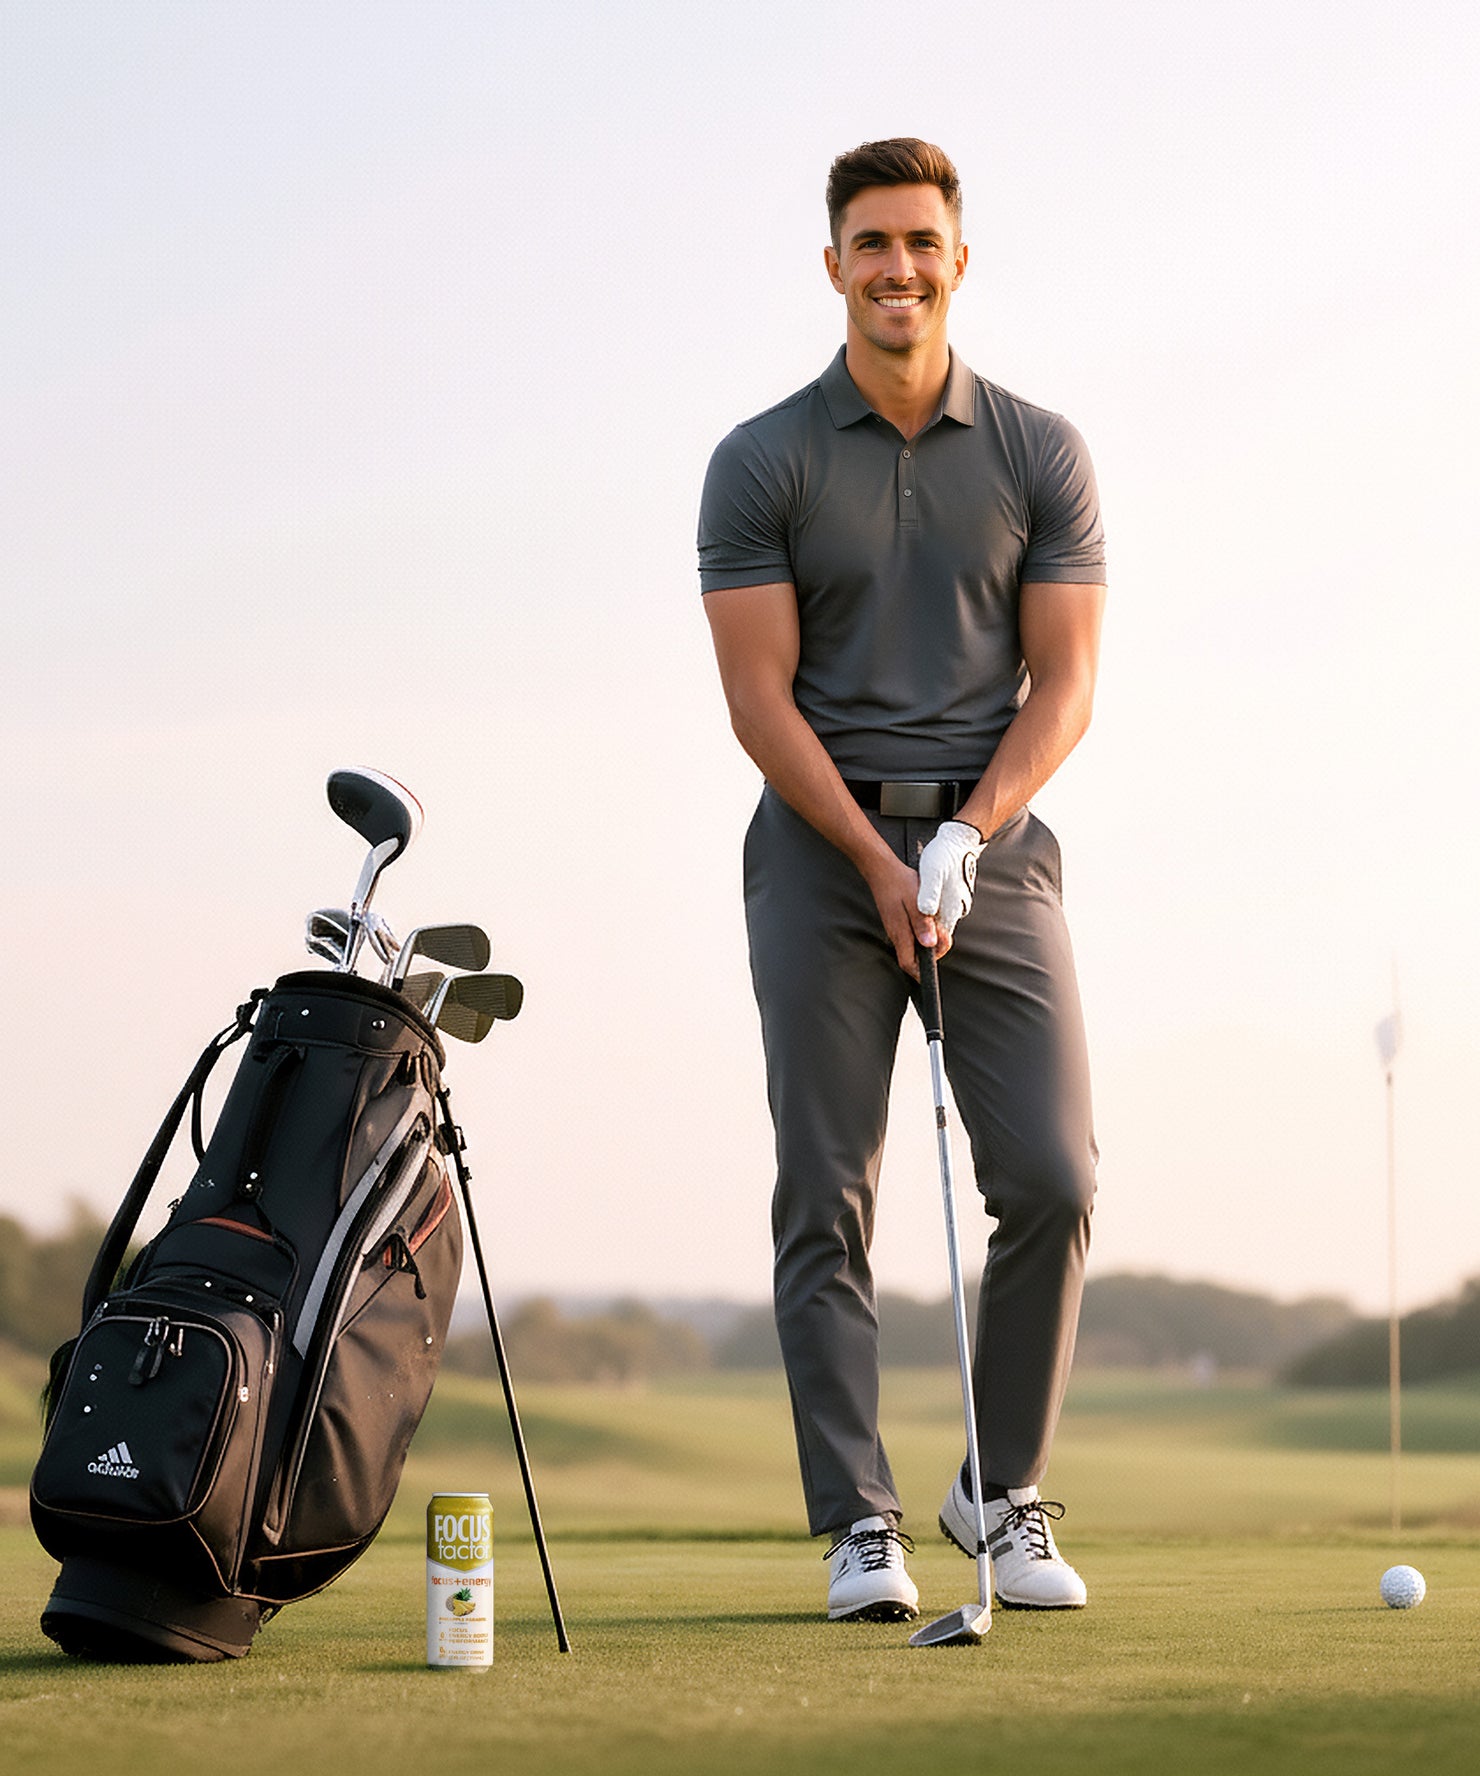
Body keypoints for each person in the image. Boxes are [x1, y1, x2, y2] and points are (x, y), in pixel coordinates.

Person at [697, 138, 1108, 1622]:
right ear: (834, 266)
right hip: (819, 853)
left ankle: (1000, 1496)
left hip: (990, 849)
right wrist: (876, 861)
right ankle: (861, 1523)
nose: (898, 268)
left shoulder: (1040, 451)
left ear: (958, 260)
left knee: (1054, 1179)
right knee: (830, 1189)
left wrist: (967, 835)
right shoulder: (763, 459)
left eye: (922, 242)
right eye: (871, 244)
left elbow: (1064, 687)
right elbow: (759, 702)